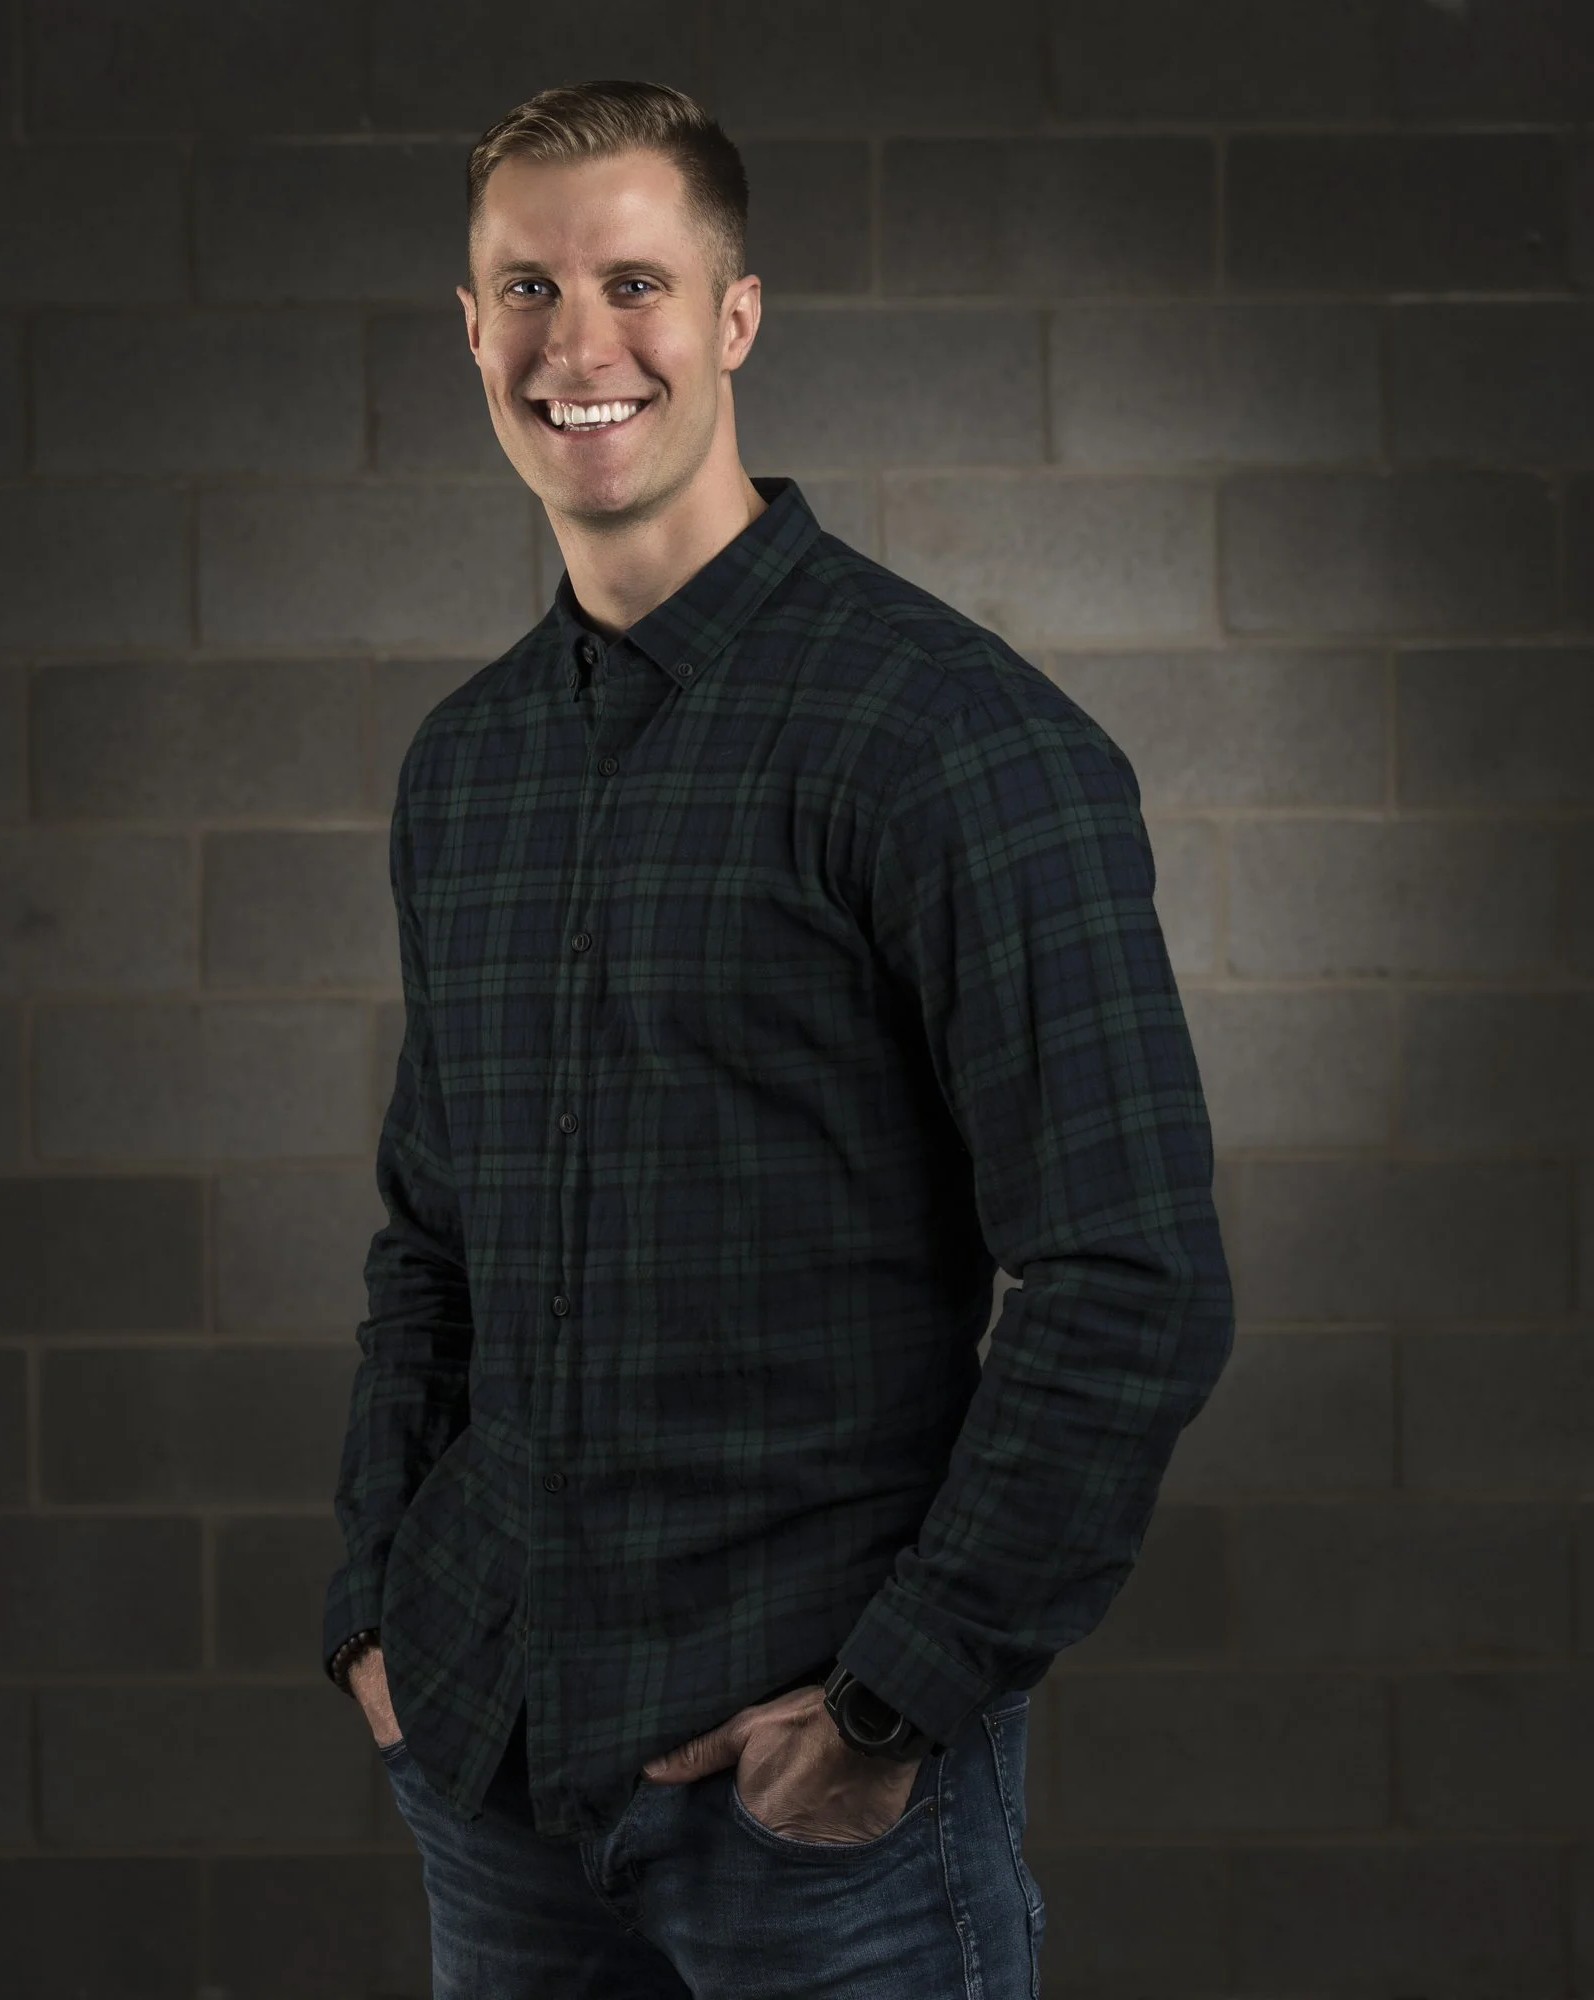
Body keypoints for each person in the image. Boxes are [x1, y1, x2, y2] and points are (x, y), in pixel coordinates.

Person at [321, 75, 1234, 2000]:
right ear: (467, 328)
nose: (580, 345)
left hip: (817, 1814)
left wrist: (892, 1710)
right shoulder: (464, 767)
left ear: (736, 320)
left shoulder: (952, 742)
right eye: (526, 291)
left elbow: (1129, 1277)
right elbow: (432, 1237)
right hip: (491, 1779)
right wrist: (373, 1620)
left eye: (636, 283)